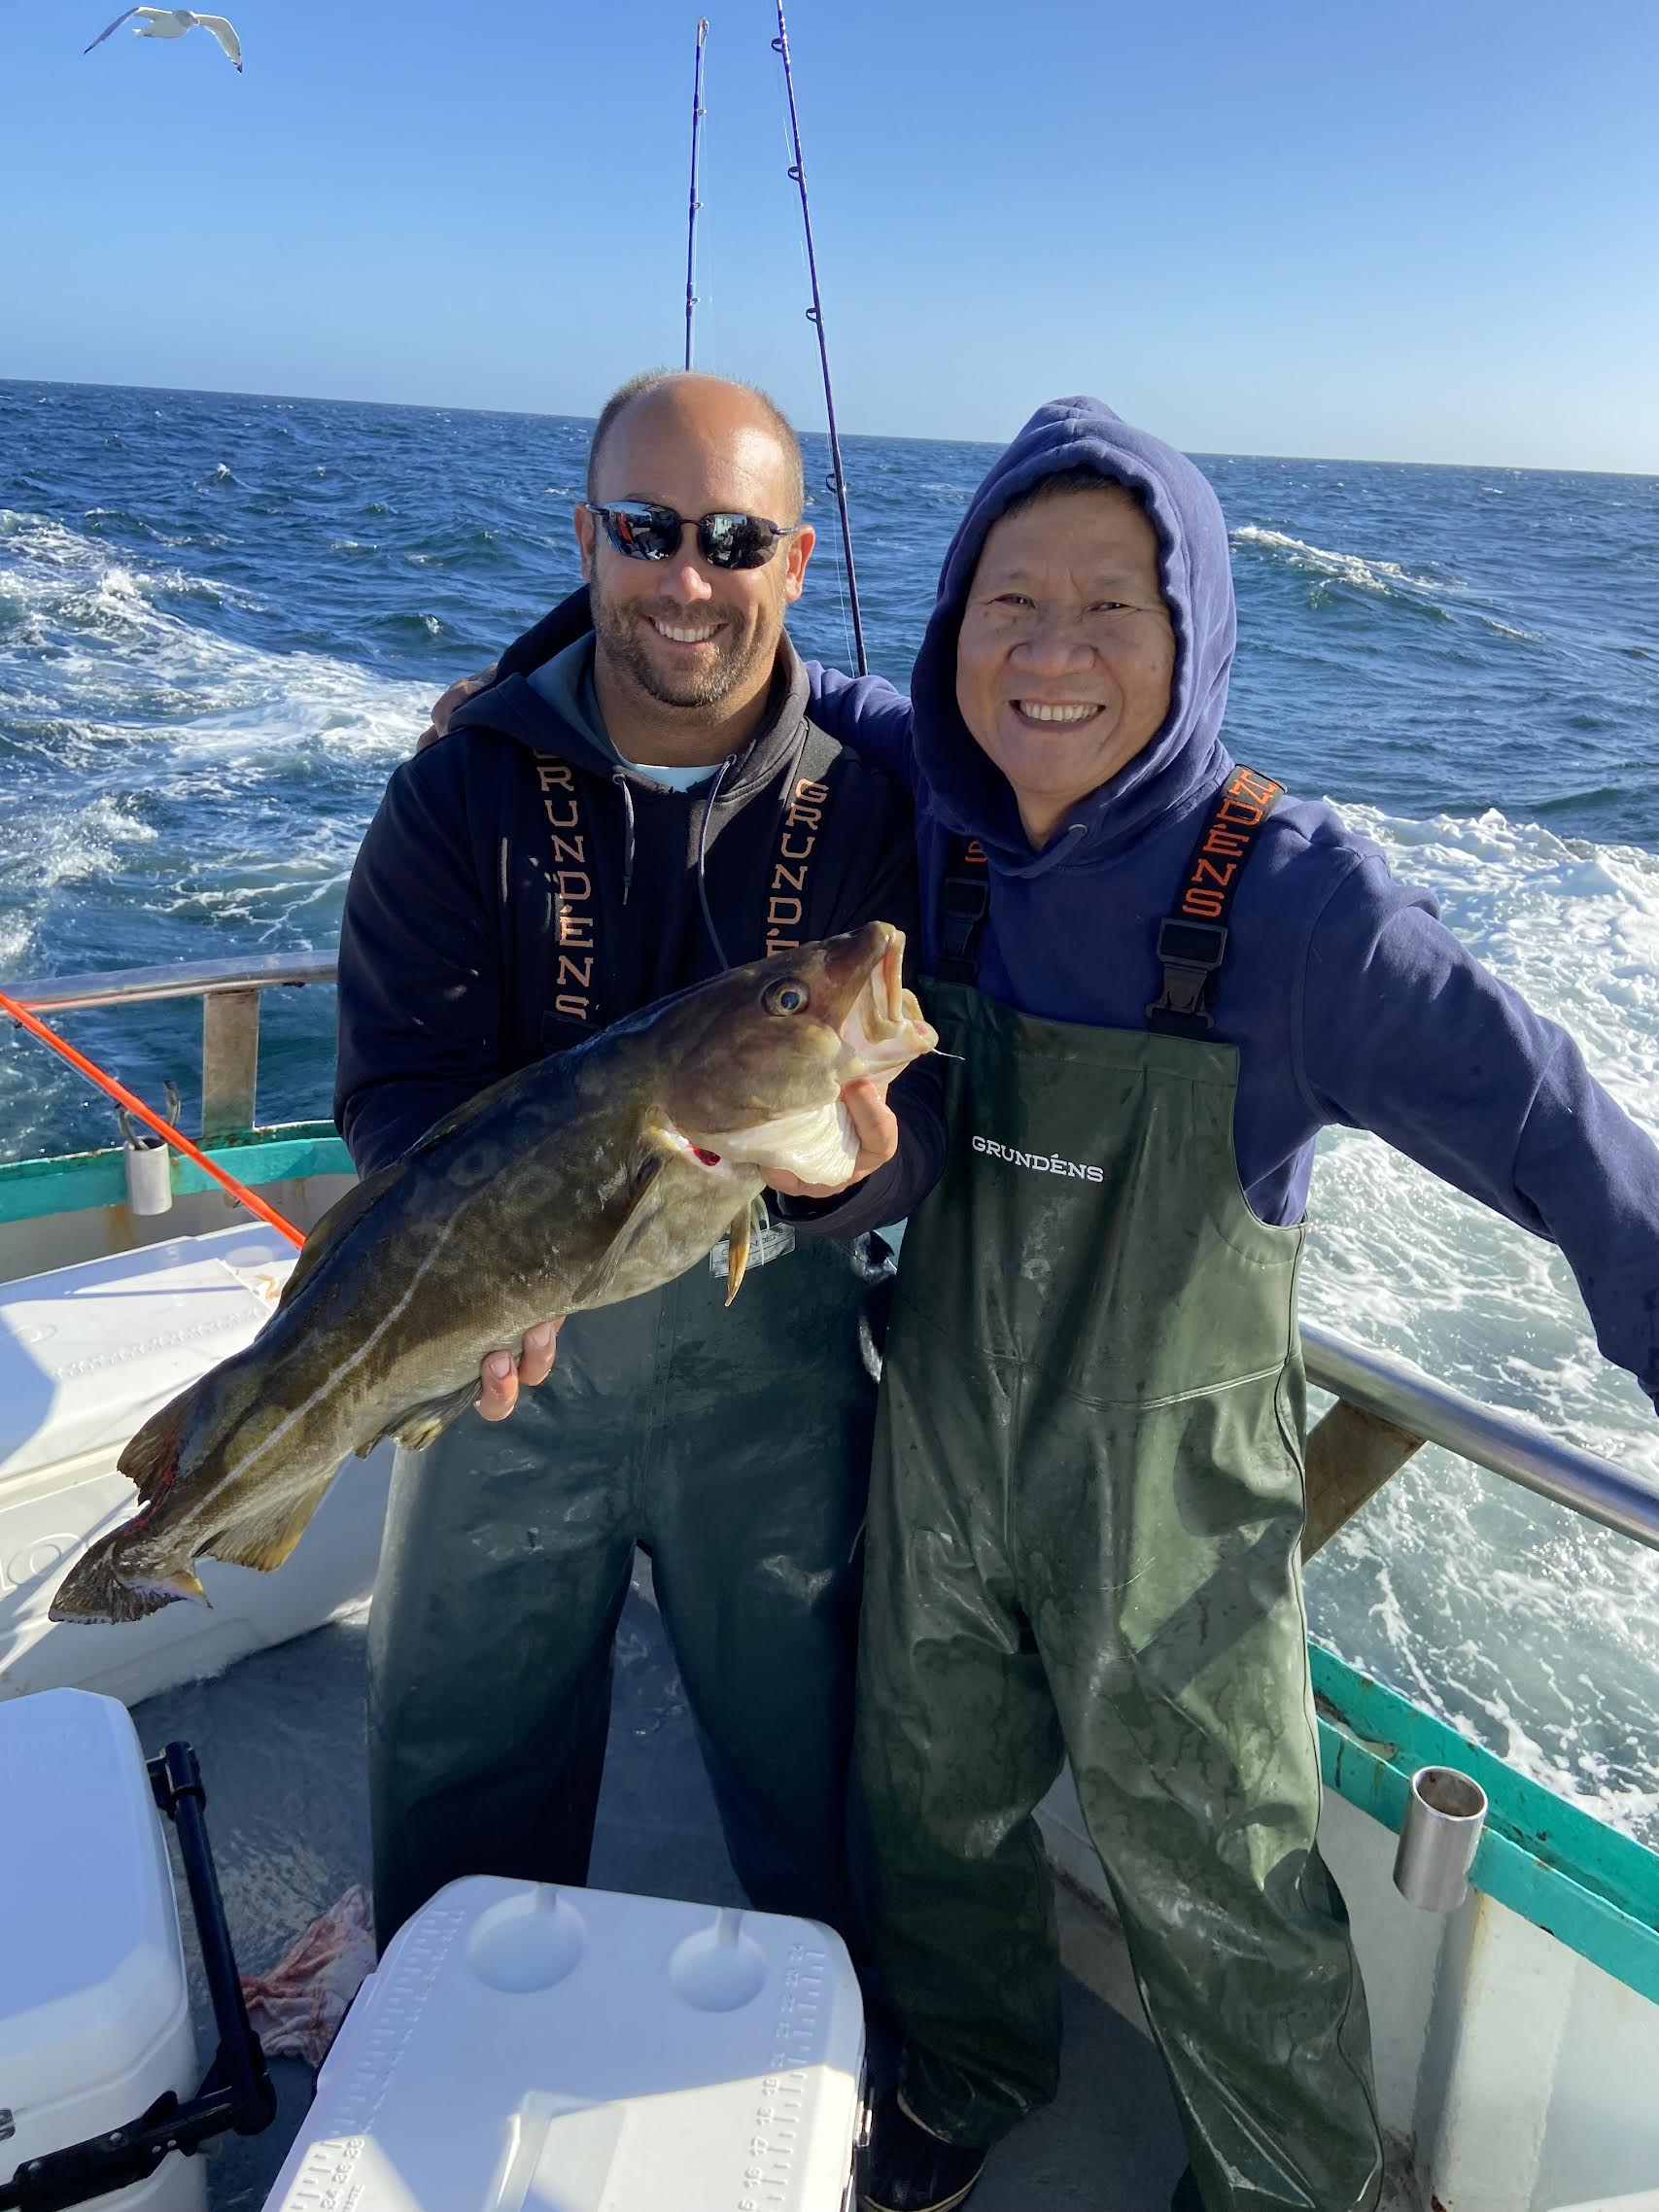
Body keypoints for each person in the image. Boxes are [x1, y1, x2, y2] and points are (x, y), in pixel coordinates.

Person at [429, 394, 1659, 2212]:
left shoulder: (1307, 905)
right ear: (954, 631)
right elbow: (703, 625)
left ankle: (1288, 2187)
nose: (1051, 654)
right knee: (931, 1806)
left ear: (1196, 632)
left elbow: (1563, 1137)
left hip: (1172, 1502)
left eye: (1112, 607)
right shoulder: (935, 794)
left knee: (1218, 1865)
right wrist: (507, 693)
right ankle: (967, 2078)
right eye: (1009, 603)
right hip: (941, 1435)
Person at [334, 369, 940, 1952]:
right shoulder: (457, 792)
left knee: (819, 1761)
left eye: (733, 540)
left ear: (795, 561)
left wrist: (857, 1177)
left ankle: (841, 2044)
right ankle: (442, 2024)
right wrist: (484, 1261)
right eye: (645, 529)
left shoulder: (876, 808)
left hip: (776, 1385)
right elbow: (399, 1084)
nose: (686, 579)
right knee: (463, 1758)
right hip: (509, 1375)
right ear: (585, 538)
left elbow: (934, 1118)